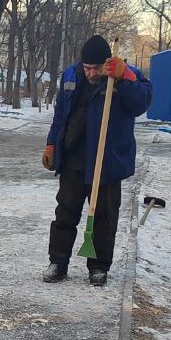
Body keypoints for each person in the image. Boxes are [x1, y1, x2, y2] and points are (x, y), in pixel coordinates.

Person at [41, 34, 152, 286]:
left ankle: (99, 267)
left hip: (107, 160)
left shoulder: (124, 75)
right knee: (65, 213)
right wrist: (51, 144)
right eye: (86, 68)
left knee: (104, 217)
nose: (90, 73)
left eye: (95, 68)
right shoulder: (71, 75)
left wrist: (125, 77)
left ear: (106, 63)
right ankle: (58, 261)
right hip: (74, 158)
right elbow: (60, 114)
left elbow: (141, 103)